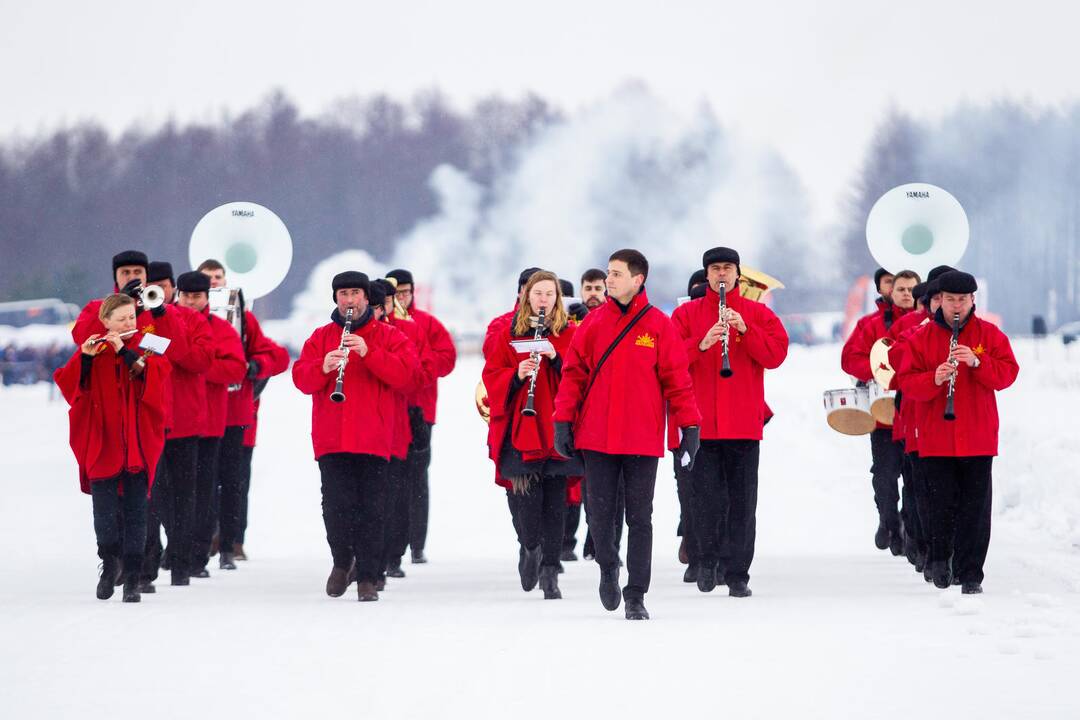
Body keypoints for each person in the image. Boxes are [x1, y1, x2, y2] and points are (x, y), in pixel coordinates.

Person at [553, 249, 701, 620]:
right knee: (601, 516)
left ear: (638, 280)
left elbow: (678, 382)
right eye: (608, 273)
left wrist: (691, 427)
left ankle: (636, 593)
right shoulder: (593, 324)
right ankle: (607, 567)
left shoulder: (658, 325)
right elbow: (573, 375)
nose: (609, 280)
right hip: (596, 437)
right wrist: (561, 421)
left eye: (616, 274)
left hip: (641, 438)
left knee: (640, 517)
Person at [292, 271, 418, 601]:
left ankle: (368, 576)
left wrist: (370, 353)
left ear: (366, 298)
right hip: (332, 438)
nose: (350, 300)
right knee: (335, 506)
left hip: (374, 438)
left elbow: (407, 376)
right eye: (344, 294)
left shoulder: (389, 336)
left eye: (355, 294)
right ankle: (341, 561)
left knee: (373, 509)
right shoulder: (320, 337)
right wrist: (322, 367)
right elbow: (301, 379)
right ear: (336, 299)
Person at [671, 248, 789, 597]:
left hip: (743, 423)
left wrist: (746, 330)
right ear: (706, 275)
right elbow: (669, 360)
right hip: (701, 423)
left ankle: (737, 573)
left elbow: (776, 355)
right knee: (704, 499)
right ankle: (706, 562)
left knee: (742, 501)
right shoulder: (686, 314)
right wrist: (701, 344)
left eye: (727, 268)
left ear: (738, 274)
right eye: (715, 269)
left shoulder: (757, 313)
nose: (721, 274)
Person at [895, 271, 1018, 593]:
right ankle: (939, 558)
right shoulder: (921, 338)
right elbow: (905, 383)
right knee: (939, 506)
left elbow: (1007, 374)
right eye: (950, 300)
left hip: (977, 436)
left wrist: (979, 363)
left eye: (962, 300)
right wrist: (933, 379)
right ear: (940, 301)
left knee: (975, 510)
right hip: (936, 437)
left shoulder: (989, 335)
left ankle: (971, 573)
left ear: (973, 300)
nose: (956, 306)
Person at [54, 294, 170, 603]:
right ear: (106, 322)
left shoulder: (149, 342)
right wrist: (87, 358)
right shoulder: (94, 348)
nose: (128, 324)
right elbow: (70, 386)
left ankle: (133, 576)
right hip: (103, 444)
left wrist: (125, 353)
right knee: (104, 513)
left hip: (136, 444)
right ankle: (109, 563)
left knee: (136, 512)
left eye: (131, 317)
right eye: (121, 319)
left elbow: (160, 376)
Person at [484, 271, 581, 599]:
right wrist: (515, 375)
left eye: (549, 294)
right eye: (538, 293)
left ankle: (551, 570)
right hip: (521, 429)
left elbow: (583, 375)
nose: (544, 299)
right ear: (527, 296)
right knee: (525, 506)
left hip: (556, 427)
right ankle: (530, 546)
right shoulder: (509, 332)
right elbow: (491, 374)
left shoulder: (570, 333)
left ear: (558, 298)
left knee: (555, 505)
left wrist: (558, 361)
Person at [196, 259, 290, 569]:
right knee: (200, 481)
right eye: (206, 278)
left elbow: (275, 355)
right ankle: (203, 537)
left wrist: (254, 367)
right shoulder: (186, 317)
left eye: (217, 277)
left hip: (236, 412)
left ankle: (232, 541)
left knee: (235, 482)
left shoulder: (244, 319)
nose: (212, 283)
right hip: (200, 414)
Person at [140, 261, 214, 589]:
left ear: (173, 288)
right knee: (152, 496)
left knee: (185, 496)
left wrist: (161, 336)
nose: (160, 291)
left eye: (164, 285)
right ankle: (149, 560)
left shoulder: (193, 319)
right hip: (150, 419)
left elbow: (197, 359)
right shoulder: (135, 317)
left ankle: (182, 561)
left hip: (184, 421)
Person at [840, 268, 919, 554]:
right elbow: (849, 359)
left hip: (917, 416)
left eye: (911, 289)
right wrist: (878, 371)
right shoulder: (870, 324)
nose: (906, 294)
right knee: (884, 475)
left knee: (914, 476)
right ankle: (888, 520)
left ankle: (910, 530)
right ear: (887, 290)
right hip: (883, 416)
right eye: (898, 288)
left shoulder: (928, 323)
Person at [176, 271, 247, 578]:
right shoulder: (168, 323)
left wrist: (199, 366)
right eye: (186, 296)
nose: (191, 302)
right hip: (174, 421)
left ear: (207, 298)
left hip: (209, 421)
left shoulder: (220, 328)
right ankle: (177, 547)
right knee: (172, 490)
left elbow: (236, 369)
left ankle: (198, 553)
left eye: (197, 297)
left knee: (204, 491)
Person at [385, 268, 458, 565]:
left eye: (406, 292)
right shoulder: (384, 322)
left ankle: (417, 542)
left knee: (417, 477)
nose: (402, 297)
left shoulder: (426, 323)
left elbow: (447, 357)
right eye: (397, 293)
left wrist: (419, 370)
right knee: (392, 476)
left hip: (421, 408)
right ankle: (394, 542)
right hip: (389, 409)